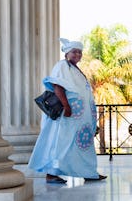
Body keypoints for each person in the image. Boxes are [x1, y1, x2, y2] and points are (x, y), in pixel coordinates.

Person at [29, 38, 107, 185]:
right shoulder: (62, 66)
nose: (77, 54)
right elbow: (57, 86)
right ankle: (52, 174)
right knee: (60, 143)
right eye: (74, 52)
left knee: (80, 146)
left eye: (80, 52)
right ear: (67, 53)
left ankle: (88, 172)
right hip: (67, 116)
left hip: (78, 120)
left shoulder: (74, 68)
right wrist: (67, 106)